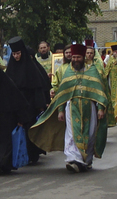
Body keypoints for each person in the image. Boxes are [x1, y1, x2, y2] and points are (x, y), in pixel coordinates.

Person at [29, 44, 108, 173]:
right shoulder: (68, 72)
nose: (75, 59)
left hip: (90, 108)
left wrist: (101, 108)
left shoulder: (93, 71)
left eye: (78, 57)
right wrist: (60, 111)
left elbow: (100, 92)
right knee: (71, 134)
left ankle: (86, 161)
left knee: (90, 133)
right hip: (72, 107)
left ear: (83, 57)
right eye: (74, 57)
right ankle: (73, 159)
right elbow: (62, 94)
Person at [0, 59, 34, 174]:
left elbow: (18, 101)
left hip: (7, 119)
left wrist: (20, 119)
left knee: (6, 144)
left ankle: (3, 165)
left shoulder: (7, 84)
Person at [5, 36, 51, 164]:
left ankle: (32, 155)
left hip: (30, 105)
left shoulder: (31, 68)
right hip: (15, 106)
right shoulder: (11, 68)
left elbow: (37, 88)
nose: (16, 56)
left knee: (29, 131)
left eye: (18, 53)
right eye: (14, 54)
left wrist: (40, 106)